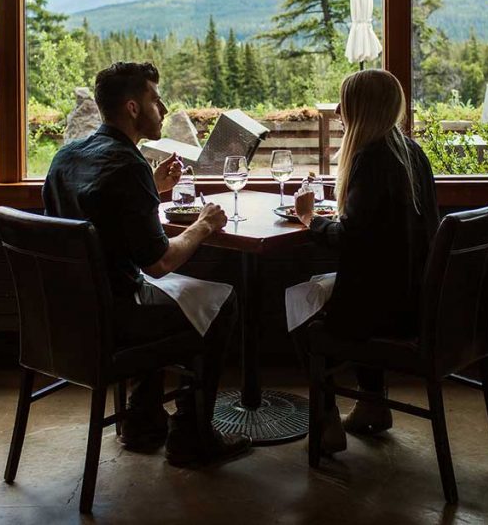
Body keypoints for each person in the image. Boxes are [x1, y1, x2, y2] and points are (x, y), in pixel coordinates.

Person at [42, 61, 250, 466]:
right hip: (115, 322)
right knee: (220, 302)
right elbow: (159, 261)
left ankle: (142, 418)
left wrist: (152, 186)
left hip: (65, 317)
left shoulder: (66, 157)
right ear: (133, 108)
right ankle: (192, 435)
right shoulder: (128, 165)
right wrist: (205, 224)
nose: (164, 108)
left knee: (158, 294)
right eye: (156, 100)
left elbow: (100, 210)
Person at [288, 68, 439, 453]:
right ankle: (372, 403)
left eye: (345, 104)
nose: (338, 111)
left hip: (385, 312)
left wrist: (309, 219)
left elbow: (348, 240)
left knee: (298, 304)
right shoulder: (411, 152)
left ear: (362, 109)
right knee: (338, 289)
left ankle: (325, 420)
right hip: (418, 299)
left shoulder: (370, 160)